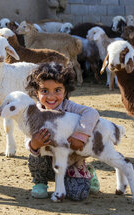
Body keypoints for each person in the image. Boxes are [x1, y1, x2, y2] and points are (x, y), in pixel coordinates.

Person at [24, 62, 100, 201]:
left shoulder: (69, 107)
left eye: (57, 90)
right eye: (45, 91)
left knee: (78, 195)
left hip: (71, 160)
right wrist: (33, 144)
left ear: (65, 91)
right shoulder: (34, 112)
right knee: (35, 154)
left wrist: (80, 135)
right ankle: (40, 182)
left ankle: (88, 173)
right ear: (36, 92)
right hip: (46, 163)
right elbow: (28, 138)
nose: (51, 97)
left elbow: (91, 113)